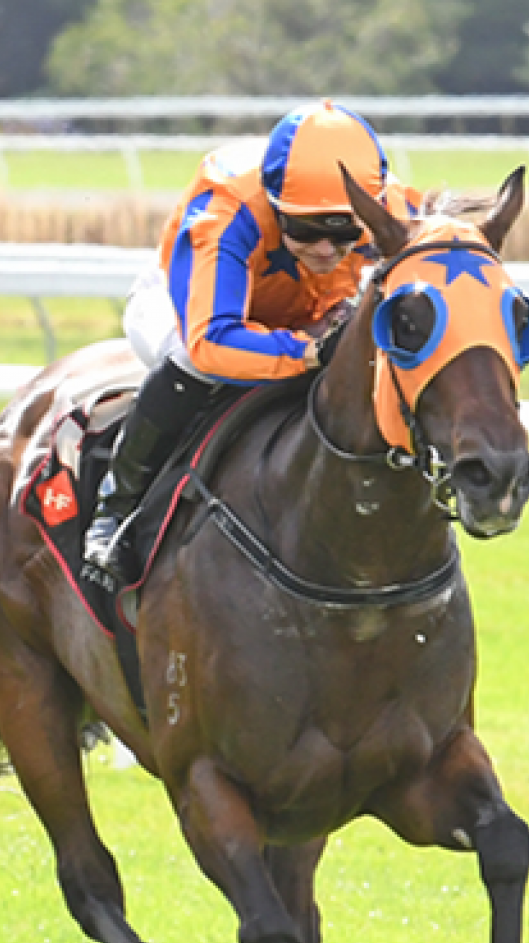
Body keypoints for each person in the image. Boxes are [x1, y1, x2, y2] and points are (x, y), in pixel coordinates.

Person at [81, 99, 425, 583]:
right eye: (306, 230)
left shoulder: (395, 206)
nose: (326, 250)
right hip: (193, 310)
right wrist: (306, 352)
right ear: (276, 205)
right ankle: (115, 514)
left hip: (313, 312)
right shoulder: (228, 211)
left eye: (346, 231)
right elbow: (212, 341)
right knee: (189, 361)